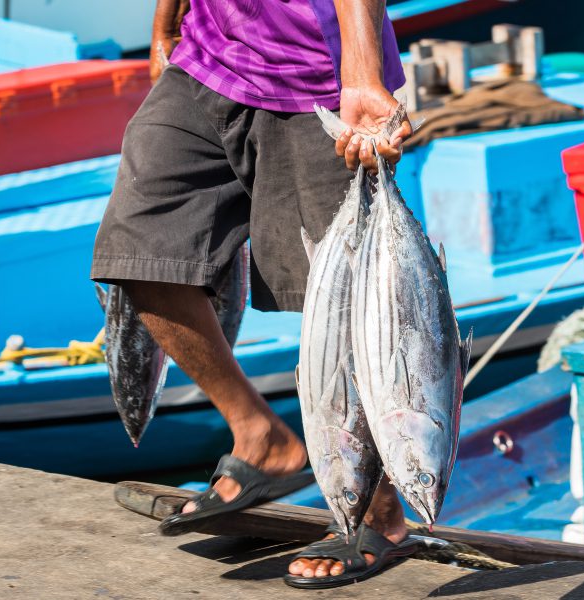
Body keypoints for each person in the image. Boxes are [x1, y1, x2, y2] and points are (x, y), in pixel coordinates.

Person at [91, 0, 414, 589]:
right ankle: (262, 437)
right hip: (207, 59)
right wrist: (166, 24)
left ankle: (379, 511)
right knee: (137, 252)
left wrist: (363, 76)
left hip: (320, 80)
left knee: (342, 305)